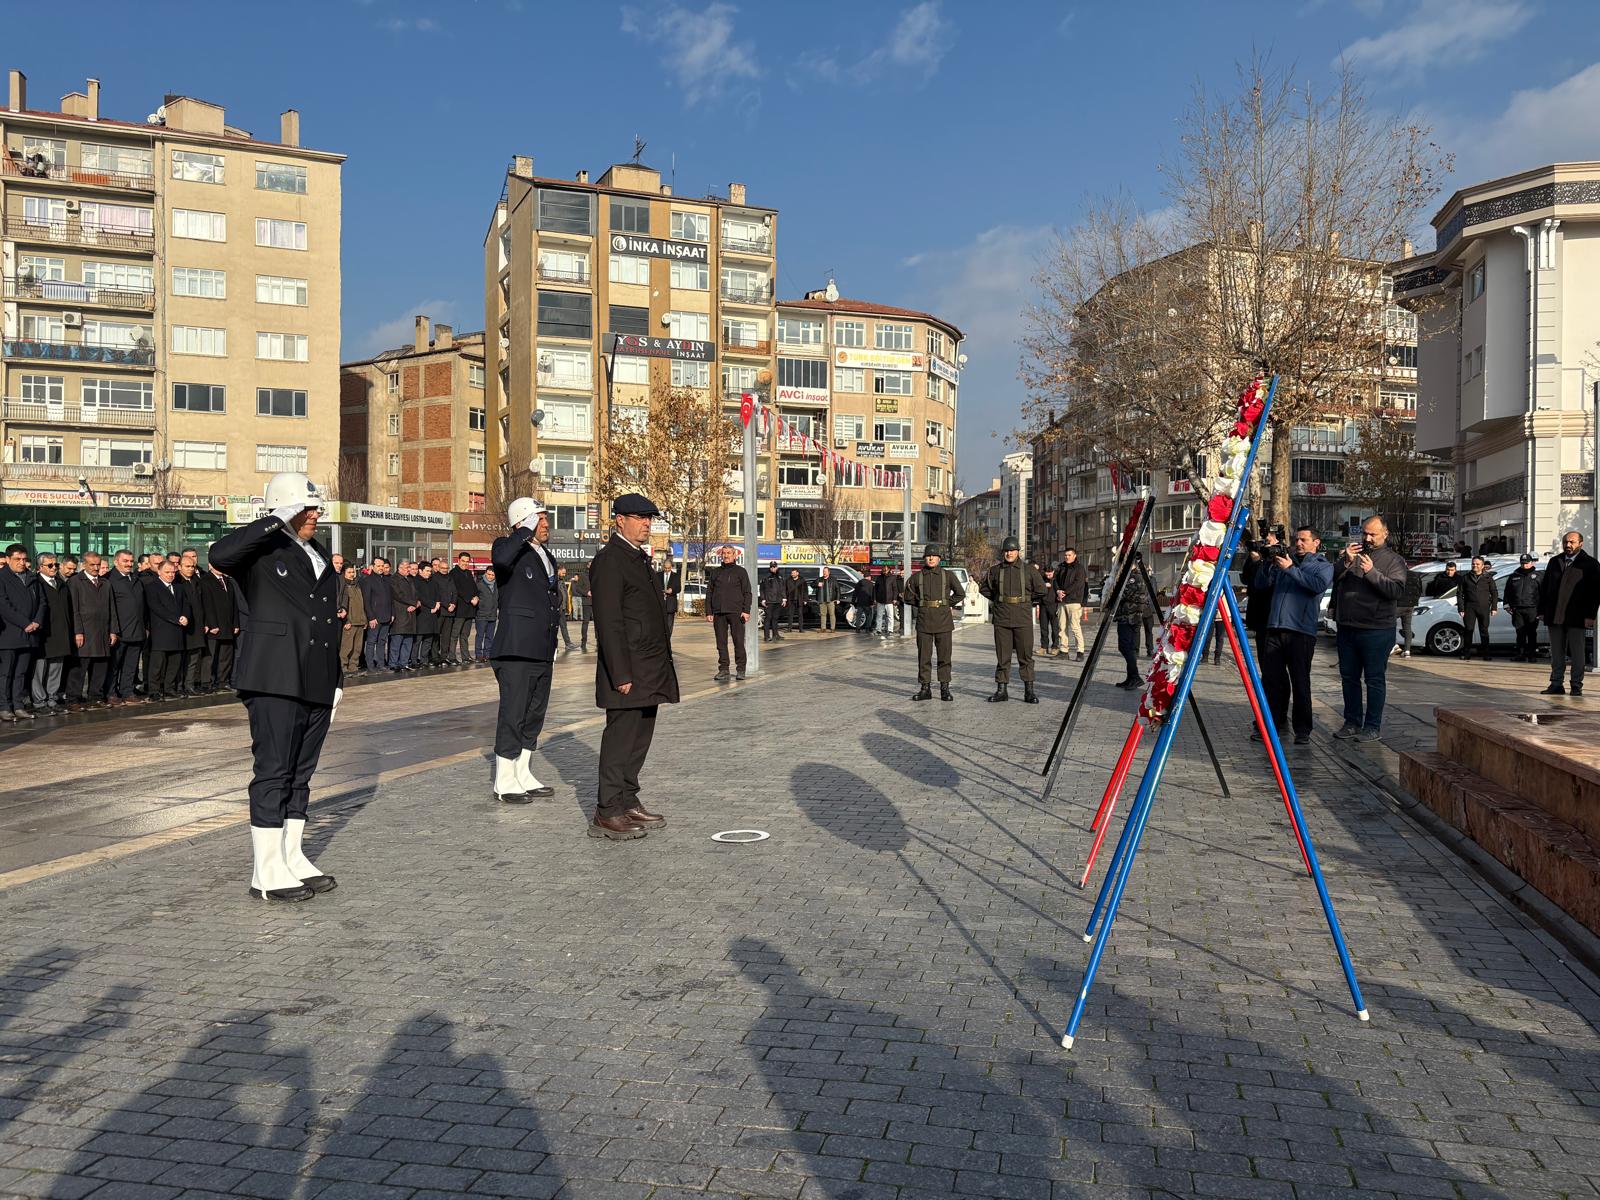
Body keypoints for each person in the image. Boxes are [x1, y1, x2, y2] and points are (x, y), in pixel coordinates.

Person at [209, 471, 342, 903]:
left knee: (301, 773)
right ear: (284, 508)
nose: (315, 514)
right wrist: (275, 520)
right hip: (274, 674)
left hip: (316, 676)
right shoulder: (260, 548)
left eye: (315, 507)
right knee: (274, 771)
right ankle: (265, 872)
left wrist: (336, 677)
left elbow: (324, 620)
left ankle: (291, 856)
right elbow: (220, 553)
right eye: (306, 507)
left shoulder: (317, 551)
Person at [588, 493, 677, 841]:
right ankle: (607, 810)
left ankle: (627, 798)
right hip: (628, 669)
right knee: (620, 738)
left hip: (650, 666)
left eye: (649, 519)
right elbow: (609, 621)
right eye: (639, 518)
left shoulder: (639, 558)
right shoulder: (610, 559)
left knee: (640, 737)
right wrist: (620, 672)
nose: (646, 524)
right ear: (619, 520)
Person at [489, 498, 560, 804]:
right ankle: (504, 780)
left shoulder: (545, 554)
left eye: (545, 519)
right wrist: (521, 533)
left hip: (541, 647)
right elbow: (502, 560)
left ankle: (523, 772)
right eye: (540, 519)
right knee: (513, 712)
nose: (546, 524)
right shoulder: (507, 546)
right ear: (524, 521)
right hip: (516, 648)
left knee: (534, 713)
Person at [1254, 527, 1334, 746]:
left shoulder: (1323, 566)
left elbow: (1316, 586)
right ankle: (1271, 725)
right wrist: (1267, 562)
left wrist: (1290, 569)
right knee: (1271, 682)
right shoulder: (1284, 560)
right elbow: (1260, 585)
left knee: (1300, 682)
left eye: (1304, 540)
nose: (1298, 543)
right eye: (1296, 539)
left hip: (1301, 632)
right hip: (1275, 629)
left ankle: (1303, 730)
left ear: (1316, 542)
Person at [1331, 516, 1408, 741]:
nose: (1367, 538)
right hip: (1347, 626)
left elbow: (1396, 591)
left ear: (1385, 534)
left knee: (1374, 679)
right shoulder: (1353, 555)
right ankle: (1352, 721)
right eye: (1364, 533)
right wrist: (1345, 561)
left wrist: (1372, 572)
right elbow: (1333, 579)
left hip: (1376, 629)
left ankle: (1372, 726)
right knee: (1349, 677)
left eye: (1372, 534)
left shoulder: (1394, 560)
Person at [979, 536, 1046, 703]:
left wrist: (1027, 601)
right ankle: (1002, 690)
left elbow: (1041, 590)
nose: (1009, 553)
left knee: (1025, 655)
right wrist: (997, 599)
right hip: (1001, 618)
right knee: (1003, 656)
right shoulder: (995, 571)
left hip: (1022, 617)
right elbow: (984, 588)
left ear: (1018, 552)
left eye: (1012, 550)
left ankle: (1029, 691)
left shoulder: (1029, 570)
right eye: (1006, 551)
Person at [1539, 530, 1600, 696]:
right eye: (1566, 542)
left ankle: (1576, 685)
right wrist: (1542, 611)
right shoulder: (1554, 561)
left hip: (1577, 616)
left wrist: (1590, 615)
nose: (1568, 545)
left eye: (1572, 542)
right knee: (1557, 653)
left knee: (1577, 652)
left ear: (1581, 543)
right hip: (1555, 615)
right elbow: (1545, 588)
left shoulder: (1590, 564)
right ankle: (1556, 684)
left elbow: (1595, 593)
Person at [904, 545, 965, 701]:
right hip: (924, 622)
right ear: (924, 558)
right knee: (924, 657)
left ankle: (945, 688)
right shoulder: (917, 577)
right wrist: (922, 604)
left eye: (934, 556)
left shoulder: (948, 575)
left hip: (943, 621)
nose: (931, 558)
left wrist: (946, 604)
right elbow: (908, 596)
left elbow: (960, 593)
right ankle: (925, 688)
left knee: (944, 656)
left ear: (939, 558)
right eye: (928, 556)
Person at [0, 543, 44, 721]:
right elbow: (4, 606)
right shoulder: (2, 578)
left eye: (25, 559)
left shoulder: (32, 578)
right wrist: (25, 623)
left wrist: (37, 622)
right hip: (9, 635)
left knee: (21, 673)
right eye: (17, 559)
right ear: (8, 559)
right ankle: (4, 707)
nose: (21, 563)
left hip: (30, 634)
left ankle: (18, 705)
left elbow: (43, 603)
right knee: (6, 673)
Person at [66, 550, 115, 709]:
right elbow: (74, 609)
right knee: (79, 668)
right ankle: (73, 698)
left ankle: (95, 697)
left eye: (98, 565)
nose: (95, 568)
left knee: (100, 666)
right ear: (83, 565)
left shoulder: (106, 583)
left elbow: (111, 608)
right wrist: (77, 631)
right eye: (92, 565)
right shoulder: (75, 582)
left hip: (103, 631)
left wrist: (113, 630)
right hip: (84, 632)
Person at [144, 559, 194, 701]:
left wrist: (185, 616)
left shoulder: (179, 587)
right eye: (167, 572)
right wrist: (176, 618)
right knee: (157, 665)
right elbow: (157, 608)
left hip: (177, 632)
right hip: (161, 632)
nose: (171, 575)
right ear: (159, 572)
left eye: (173, 572)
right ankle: (154, 691)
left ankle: (169, 689)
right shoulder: (152, 587)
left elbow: (186, 604)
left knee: (174, 663)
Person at [30, 552, 72, 715]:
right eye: (50, 565)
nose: (54, 568)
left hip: (60, 633)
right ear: (40, 567)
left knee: (56, 668)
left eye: (56, 565)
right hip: (44, 633)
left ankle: (52, 699)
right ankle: (40, 702)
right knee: (40, 669)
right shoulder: (36, 583)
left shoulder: (61, 583)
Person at [106, 549, 146, 704]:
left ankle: (127, 692)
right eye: (125, 561)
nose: (129, 564)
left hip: (137, 630)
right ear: (116, 562)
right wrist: (113, 630)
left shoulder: (135, 579)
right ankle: (111, 693)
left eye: (131, 561)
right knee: (114, 666)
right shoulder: (109, 580)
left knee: (131, 665)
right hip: (119, 631)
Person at [706, 545, 751, 681]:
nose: (726, 556)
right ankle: (724, 669)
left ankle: (741, 669)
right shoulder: (715, 572)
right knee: (721, 643)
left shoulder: (741, 572)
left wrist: (746, 610)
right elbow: (709, 592)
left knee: (738, 641)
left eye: (729, 553)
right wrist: (709, 611)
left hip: (736, 612)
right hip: (719, 612)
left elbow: (747, 592)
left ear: (734, 555)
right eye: (724, 553)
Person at [198, 562, 240, 691]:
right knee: (210, 656)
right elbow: (206, 604)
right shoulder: (205, 580)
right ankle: (207, 683)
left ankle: (222, 681)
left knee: (225, 656)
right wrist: (212, 624)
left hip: (228, 625)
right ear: (210, 565)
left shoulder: (227, 580)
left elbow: (234, 604)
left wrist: (235, 623)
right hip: (214, 627)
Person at [1112, 555, 1151, 689]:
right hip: (1127, 616)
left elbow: (1121, 594)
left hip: (1130, 617)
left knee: (1125, 647)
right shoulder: (1131, 576)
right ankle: (1130, 677)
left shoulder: (1134, 578)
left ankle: (1135, 677)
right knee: (1129, 648)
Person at [1456, 556, 1498, 661]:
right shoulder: (1465, 577)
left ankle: (1486, 654)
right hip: (1469, 607)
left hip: (1484, 608)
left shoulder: (1488, 577)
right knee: (1468, 630)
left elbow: (1494, 593)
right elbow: (1459, 594)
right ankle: (1467, 653)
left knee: (1484, 630)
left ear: (1482, 566)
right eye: (1473, 564)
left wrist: (1494, 607)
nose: (1475, 565)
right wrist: (1461, 608)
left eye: (1477, 564)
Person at [1504, 553, 1542, 663]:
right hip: (1517, 609)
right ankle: (1520, 654)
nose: (1524, 565)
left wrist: (1541, 609)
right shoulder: (1514, 575)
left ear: (1531, 563)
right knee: (1520, 632)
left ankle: (1532, 655)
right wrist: (1507, 605)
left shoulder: (1537, 576)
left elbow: (1543, 593)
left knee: (1531, 632)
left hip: (1532, 608)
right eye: (1522, 563)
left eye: (1526, 563)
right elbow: (1507, 591)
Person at [177, 552, 206, 694]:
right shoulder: (177, 581)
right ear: (179, 566)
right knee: (181, 659)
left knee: (194, 657)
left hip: (197, 626)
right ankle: (179, 685)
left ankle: (189, 684)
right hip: (183, 627)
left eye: (192, 566)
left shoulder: (196, 581)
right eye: (187, 566)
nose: (190, 569)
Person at [1053, 548, 1088, 662]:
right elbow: (1055, 581)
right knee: (1062, 627)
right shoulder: (1061, 567)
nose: (1067, 557)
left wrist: (1065, 592)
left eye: (1069, 555)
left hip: (1074, 601)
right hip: (1062, 601)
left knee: (1075, 627)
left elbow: (1078, 584)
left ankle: (1080, 651)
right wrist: (1058, 591)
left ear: (1074, 556)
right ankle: (1064, 651)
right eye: (1065, 555)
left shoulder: (1079, 568)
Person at [360, 557, 393, 671]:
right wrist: (371, 617)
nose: (381, 568)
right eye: (378, 566)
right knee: (371, 641)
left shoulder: (386, 580)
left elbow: (390, 598)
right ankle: (370, 665)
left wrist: (391, 614)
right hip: (375, 617)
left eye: (382, 566)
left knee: (382, 641)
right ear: (372, 566)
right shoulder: (368, 580)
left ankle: (381, 663)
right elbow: (366, 600)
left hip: (386, 616)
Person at [446, 552, 479, 664]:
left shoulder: (469, 573)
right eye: (463, 561)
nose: (465, 563)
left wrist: (476, 597)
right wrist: (470, 598)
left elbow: (474, 587)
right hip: (460, 608)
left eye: (467, 561)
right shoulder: (453, 573)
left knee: (465, 634)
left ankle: (466, 657)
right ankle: (452, 656)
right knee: (455, 634)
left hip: (470, 609)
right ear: (459, 560)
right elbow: (457, 589)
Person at [388, 560, 420, 671]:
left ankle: (404, 662)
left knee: (408, 641)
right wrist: (413, 603)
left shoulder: (410, 579)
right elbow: (398, 595)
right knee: (397, 640)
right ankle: (393, 663)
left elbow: (416, 594)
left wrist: (415, 604)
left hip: (411, 614)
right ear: (400, 568)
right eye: (407, 568)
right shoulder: (394, 579)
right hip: (400, 613)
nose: (409, 570)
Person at [336, 565, 365, 677]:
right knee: (346, 647)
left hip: (360, 621)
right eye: (349, 572)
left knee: (357, 648)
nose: (352, 574)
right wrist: (346, 621)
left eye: (353, 572)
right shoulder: (345, 586)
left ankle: (353, 667)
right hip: (350, 621)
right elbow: (345, 605)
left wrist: (364, 619)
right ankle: (343, 668)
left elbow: (361, 604)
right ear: (344, 573)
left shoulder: (357, 586)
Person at [414, 560, 440, 667]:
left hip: (432, 614)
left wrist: (437, 604)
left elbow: (437, 593)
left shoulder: (432, 581)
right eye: (427, 571)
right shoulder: (416, 581)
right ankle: (414, 660)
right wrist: (432, 605)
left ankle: (424, 660)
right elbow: (419, 597)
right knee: (418, 639)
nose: (429, 573)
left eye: (430, 571)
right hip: (421, 614)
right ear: (420, 571)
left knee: (428, 639)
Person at [1396, 564, 1424, 658]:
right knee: (1407, 627)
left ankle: (1393, 645)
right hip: (1411, 605)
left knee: (1389, 623)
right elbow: (1420, 590)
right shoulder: (1415, 575)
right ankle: (1407, 650)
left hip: (1399, 604)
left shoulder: (1398, 574)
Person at [1037, 560, 1060, 657]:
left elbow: (1059, 591)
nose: (1048, 574)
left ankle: (1055, 647)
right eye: (1047, 572)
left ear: (1053, 572)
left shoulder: (1056, 580)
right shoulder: (1042, 579)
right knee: (1043, 628)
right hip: (1043, 606)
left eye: (1050, 572)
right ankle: (1044, 647)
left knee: (1055, 628)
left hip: (1054, 606)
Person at [475, 566, 498, 661]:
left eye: (493, 575)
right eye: (489, 574)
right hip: (481, 615)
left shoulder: (497, 585)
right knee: (480, 636)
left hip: (492, 615)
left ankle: (487, 654)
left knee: (490, 636)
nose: (490, 577)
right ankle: (479, 655)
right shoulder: (479, 584)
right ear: (485, 573)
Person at [760, 563, 786, 642]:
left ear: (777, 567)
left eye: (774, 567)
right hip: (769, 601)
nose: (773, 568)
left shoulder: (780, 577)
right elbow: (762, 589)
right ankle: (766, 636)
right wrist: (763, 599)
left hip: (778, 600)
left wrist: (784, 598)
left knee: (775, 618)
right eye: (771, 567)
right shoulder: (766, 577)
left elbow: (783, 588)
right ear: (770, 568)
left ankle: (775, 635)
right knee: (768, 618)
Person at [659, 556, 682, 639]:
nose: (667, 570)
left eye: (668, 568)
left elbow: (679, 588)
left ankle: (667, 641)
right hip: (660, 604)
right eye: (665, 568)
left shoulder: (675, 576)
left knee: (669, 625)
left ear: (671, 567)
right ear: (663, 567)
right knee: (660, 625)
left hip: (670, 604)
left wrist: (672, 590)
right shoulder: (658, 575)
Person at [874, 565, 899, 636]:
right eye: (884, 569)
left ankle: (890, 630)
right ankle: (878, 629)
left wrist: (894, 598)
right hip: (880, 600)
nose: (885, 570)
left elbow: (895, 589)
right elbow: (875, 589)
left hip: (889, 600)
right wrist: (875, 599)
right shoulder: (879, 578)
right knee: (879, 616)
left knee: (890, 616)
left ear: (889, 570)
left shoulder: (892, 577)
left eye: (886, 569)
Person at [554, 566, 575, 650]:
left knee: (564, 626)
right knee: (554, 628)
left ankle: (568, 643)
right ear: (558, 571)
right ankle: (554, 646)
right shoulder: (554, 581)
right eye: (563, 572)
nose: (564, 574)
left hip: (562, 608)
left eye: (565, 573)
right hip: (556, 608)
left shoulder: (561, 581)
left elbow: (564, 594)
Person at [815, 566, 837, 631]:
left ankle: (832, 628)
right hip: (822, 600)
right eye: (823, 571)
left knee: (832, 614)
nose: (824, 573)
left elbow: (837, 589)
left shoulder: (833, 579)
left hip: (830, 600)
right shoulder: (819, 579)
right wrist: (817, 584)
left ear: (829, 572)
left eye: (825, 571)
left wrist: (838, 599)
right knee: (823, 615)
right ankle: (823, 628)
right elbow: (812, 585)